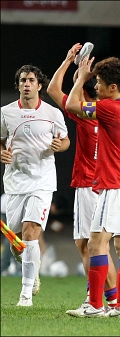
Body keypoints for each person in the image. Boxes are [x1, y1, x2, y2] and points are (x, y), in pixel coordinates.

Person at [65, 55, 120, 318]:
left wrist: (82, 78)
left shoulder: (110, 107)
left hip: (116, 185)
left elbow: (73, 105)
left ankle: (96, 305)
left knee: (97, 244)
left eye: (98, 83)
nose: (95, 87)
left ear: (112, 87)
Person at [46, 43, 119, 315]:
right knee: (86, 244)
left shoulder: (91, 113)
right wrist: (78, 73)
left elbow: (53, 90)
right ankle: (104, 298)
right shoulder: (111, 112)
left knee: (97, 246)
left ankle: (109, 301)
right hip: (92, 185)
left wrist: (72, 66)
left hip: (94, 185)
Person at [1, 65, 70, 307]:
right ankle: (31, 264)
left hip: (42, 181)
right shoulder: (6, 113)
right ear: (18, 85)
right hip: (15, 183)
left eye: (31, 80)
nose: (26, 84)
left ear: (39, 85)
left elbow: (65, 141)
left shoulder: (52, 113)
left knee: (32, 232)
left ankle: (26, 294)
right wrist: (2, 153)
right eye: (22, 80)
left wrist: (57, 146)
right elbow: (0, 141)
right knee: (17, 243)